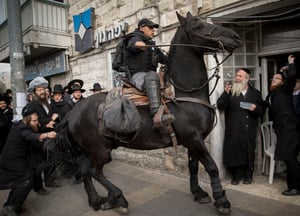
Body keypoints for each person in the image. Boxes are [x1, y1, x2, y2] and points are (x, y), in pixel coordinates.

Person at [0, 108, 56, 216]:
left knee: (24, 181)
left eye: (36, 120)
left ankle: (13, 205)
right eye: (34, 121)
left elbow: (35, 130)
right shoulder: (21, 128)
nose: (37, 123)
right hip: (12, 160)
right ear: (27, 120)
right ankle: (10, 207)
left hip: (18, 159)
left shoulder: (24, 125)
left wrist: (46, 127)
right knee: (26, 180)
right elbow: (29, 135)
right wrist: (47, 135)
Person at [217, 68, 264, 185]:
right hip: (234, 129)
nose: (237, 78)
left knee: (248, 152)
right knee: (234, 152)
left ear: (247, 79)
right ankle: (236, 176)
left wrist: (256, 108)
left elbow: (262, 110)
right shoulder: (231, 92)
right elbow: (220, 106)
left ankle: (248, 176)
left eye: (240, 76)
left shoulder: (255, 93)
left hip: (249, 129)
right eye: (237, 76)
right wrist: (225, 94)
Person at [125, 18, 175, 126]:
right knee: (152, 76)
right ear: (141, 28)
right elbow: (133, 44)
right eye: (150, 27)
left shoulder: (152, 45)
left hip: (150, 76)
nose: (153, 30)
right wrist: (141, 45)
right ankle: (157, 115)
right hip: (137, 76)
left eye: (154, 28)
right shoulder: (134, 37)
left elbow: (164, 59)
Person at [267, 55, 300, 196]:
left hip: (290, 130)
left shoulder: (285, 91)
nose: (274, 79)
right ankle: (294, 186)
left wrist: (291, 63)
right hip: (283, 131)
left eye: (277, 78)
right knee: (289, 159)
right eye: (273, 78)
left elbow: (292, 76)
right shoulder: (272, 95)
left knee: (290, 159)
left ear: (283, 83)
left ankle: (296, 187)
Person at [25, 76, 60, 194]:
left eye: (43, 89)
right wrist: (47, 123)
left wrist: (55, 115)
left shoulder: (47, 103)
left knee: (50, 160)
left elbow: (53, 112)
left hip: (49, 138)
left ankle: (50, 180)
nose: (42, 92)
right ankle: (38, 187)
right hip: (37, 140)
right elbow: (32, 122)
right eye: (39, 90)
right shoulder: (31, 106)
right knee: (38, 165)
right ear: (34, 92)